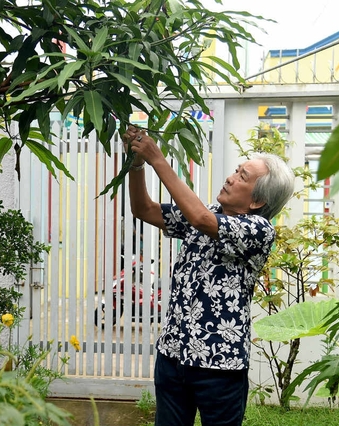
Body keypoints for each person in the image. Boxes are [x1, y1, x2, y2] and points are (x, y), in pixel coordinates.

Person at [122, 125, 294, 426]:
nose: (230, 177)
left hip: (220, 366)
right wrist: (137, 164)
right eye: (236, 170)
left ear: (257, 202)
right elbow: (143, 209)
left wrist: (157, 159)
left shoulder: (258, 230)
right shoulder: (206, 213)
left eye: (243, 176)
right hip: (173, 355)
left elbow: (201, 220)